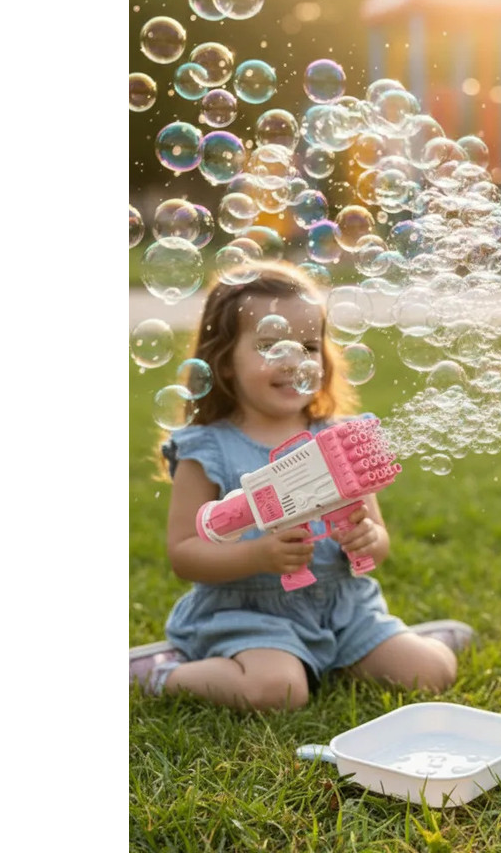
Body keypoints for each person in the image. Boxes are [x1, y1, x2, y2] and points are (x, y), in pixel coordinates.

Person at [130, 261, 473, 710]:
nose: (294, 361)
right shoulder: (206, 449)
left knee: (430, 673)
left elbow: (377, 542)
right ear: (225, 361)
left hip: (342, 610)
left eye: (309, 346)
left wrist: (367, 539)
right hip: (248, 616)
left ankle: (389, 645)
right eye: (271, 346)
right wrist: (258, 554)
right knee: (280, 691)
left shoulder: (340, 442)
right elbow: (184, 554)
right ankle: (163, 672)